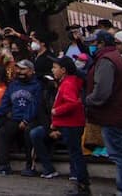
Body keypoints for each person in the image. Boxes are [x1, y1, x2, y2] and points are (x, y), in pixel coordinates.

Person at [37, 56, 88, 191]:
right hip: (69, 124)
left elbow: (73, 103)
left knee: (75, 155)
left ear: (63, 70)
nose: (52, 70)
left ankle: (82, 184)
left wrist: (55, 111)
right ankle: (81, 184)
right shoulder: (67, 82)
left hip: (72, 125)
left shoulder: (68, 84)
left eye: (55, 67)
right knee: (75, 154)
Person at [84, 30, 122, 196]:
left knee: (119, 154)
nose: (92, 46)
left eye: (94, 43)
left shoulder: (107, 60)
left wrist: (88, 100)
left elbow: (102, 91)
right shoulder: (115, 58)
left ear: (100, 43)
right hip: (116, 112)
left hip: (112, 114)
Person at [0, 59, 46, 176]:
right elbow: (5, 102)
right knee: (4, 131)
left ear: (31, 71)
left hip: (31, 119)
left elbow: (35, 105)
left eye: (23, 69)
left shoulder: (37, 85)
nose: (20, 71)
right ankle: (3, 165)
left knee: (28, 132)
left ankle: (30, 166)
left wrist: (26, 120)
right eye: (18, 69)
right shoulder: (13, 85)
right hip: (15, 118)